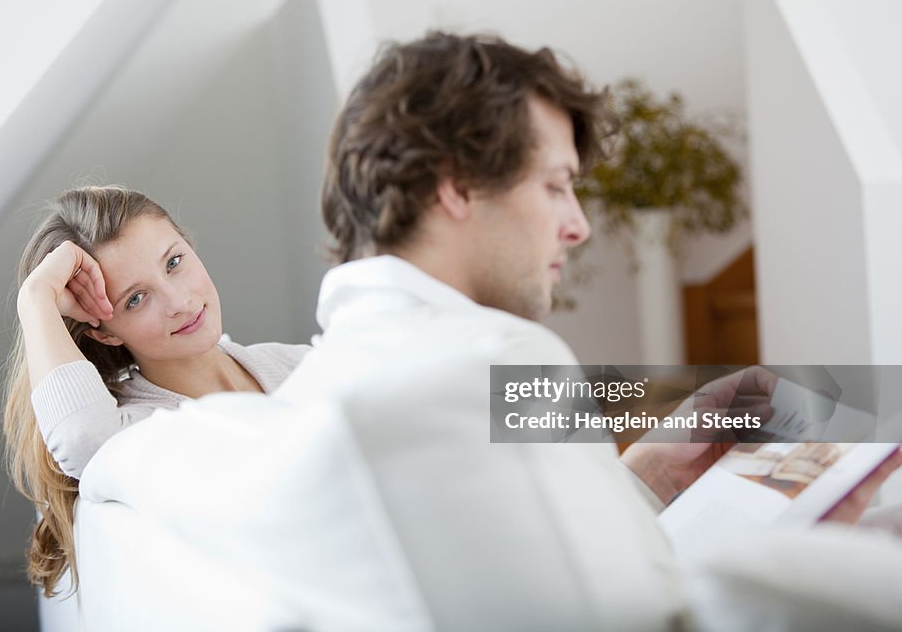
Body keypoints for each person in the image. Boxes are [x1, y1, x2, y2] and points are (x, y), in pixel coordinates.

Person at [273, 32, 902, 629]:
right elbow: (647, 618)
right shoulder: (498, 355)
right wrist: (818, 549)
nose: (578, 226)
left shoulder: (313, 384)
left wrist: (647, 477)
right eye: (556, 187)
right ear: (456, 186)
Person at [1, 185, 309, 597]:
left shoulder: (300, 365)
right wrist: (35, 300)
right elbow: (80, 439)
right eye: (136, 299)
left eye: (175, 262)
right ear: (105, 333)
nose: (179, 301)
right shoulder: (142, 428)